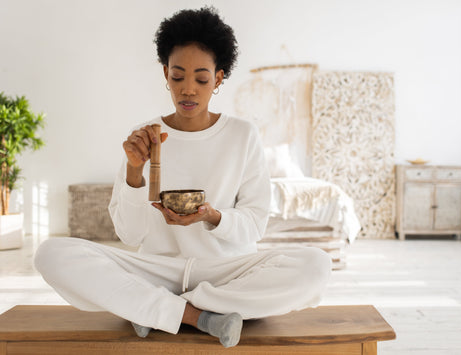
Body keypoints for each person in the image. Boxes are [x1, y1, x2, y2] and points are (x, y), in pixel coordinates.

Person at [35, 6, 331, 348]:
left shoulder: (242, 135)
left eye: (201, 79)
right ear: (165, 73)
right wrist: (134, 170)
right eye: (177, 77)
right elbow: (129, 233)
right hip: (156, 270)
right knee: (51, 253)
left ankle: (154, 311)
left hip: (225, 273)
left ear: (218, 79)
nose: (188, 89)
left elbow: (254, 225)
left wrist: (212, 216)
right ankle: (200, 318)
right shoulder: (144, 136)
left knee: (316, 266)